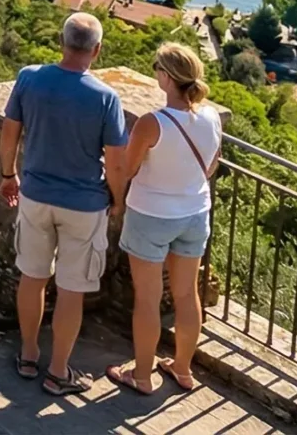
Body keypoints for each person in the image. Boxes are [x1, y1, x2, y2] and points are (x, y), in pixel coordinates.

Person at [1, 11, 128, 396]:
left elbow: (9, 133)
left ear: (62, 42)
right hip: (84, 204)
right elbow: (117, 161)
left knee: (32, 277)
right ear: (98, 50)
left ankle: (27, 355)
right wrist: (117, 200)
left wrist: (8, 174)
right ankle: (58, 372)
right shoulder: (106, 98)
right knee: (72, 289)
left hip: (35, 196)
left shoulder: (29, 79)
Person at [106, 41, 221, 395]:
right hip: (194, 213)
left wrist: (119, 196)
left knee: (147, 298)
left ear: (167, 78)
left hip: (151, 215)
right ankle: (183, 368)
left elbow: (126, 167)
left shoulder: (151, 123)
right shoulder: (212, 116)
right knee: (187, 295)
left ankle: (142, 375)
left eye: (157, 67)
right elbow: (212, 166)